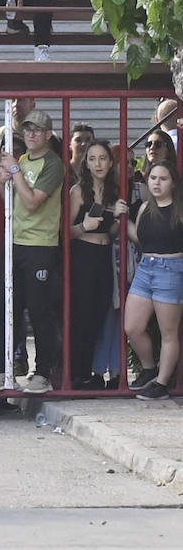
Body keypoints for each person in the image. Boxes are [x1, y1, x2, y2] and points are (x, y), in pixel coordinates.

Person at [0, 107, 65, 394]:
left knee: (39, 310)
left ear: (48, 134)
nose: (32, 134)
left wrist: (14, 171)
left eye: (37, 130)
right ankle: (8, 369)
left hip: (40, 245)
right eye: (28, 129)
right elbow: (11, 202)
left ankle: (44, 372)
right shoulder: (22, 159)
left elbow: (34, 202)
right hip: (16, 242)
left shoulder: (53, 164)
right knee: (11, 308)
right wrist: (3, 181)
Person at [119, 160, 183, 400]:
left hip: (171, 268)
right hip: (146, 267)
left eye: (163, 179)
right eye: (153, 178)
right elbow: (141, 239)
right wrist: (123, 220)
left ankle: (163, 383)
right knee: (132, 327)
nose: (156, 183)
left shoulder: (179, 208)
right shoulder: (146, 206)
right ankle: (149, 369)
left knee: (169, 332)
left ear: (173, 183)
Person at [67, 140, 119, 390]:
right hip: (83, 255)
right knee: (82, 315)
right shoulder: (78, 191)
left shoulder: (115, 191)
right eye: (92, 159)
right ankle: (77, 374)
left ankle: (87, 372)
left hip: (104, 255)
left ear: (110, 162)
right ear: (85, 163)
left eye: (103, 158)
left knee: (100, 313)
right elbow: (62, 232)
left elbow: (113, 231)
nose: (98, 164)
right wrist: (83, 227)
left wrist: (119, 217)